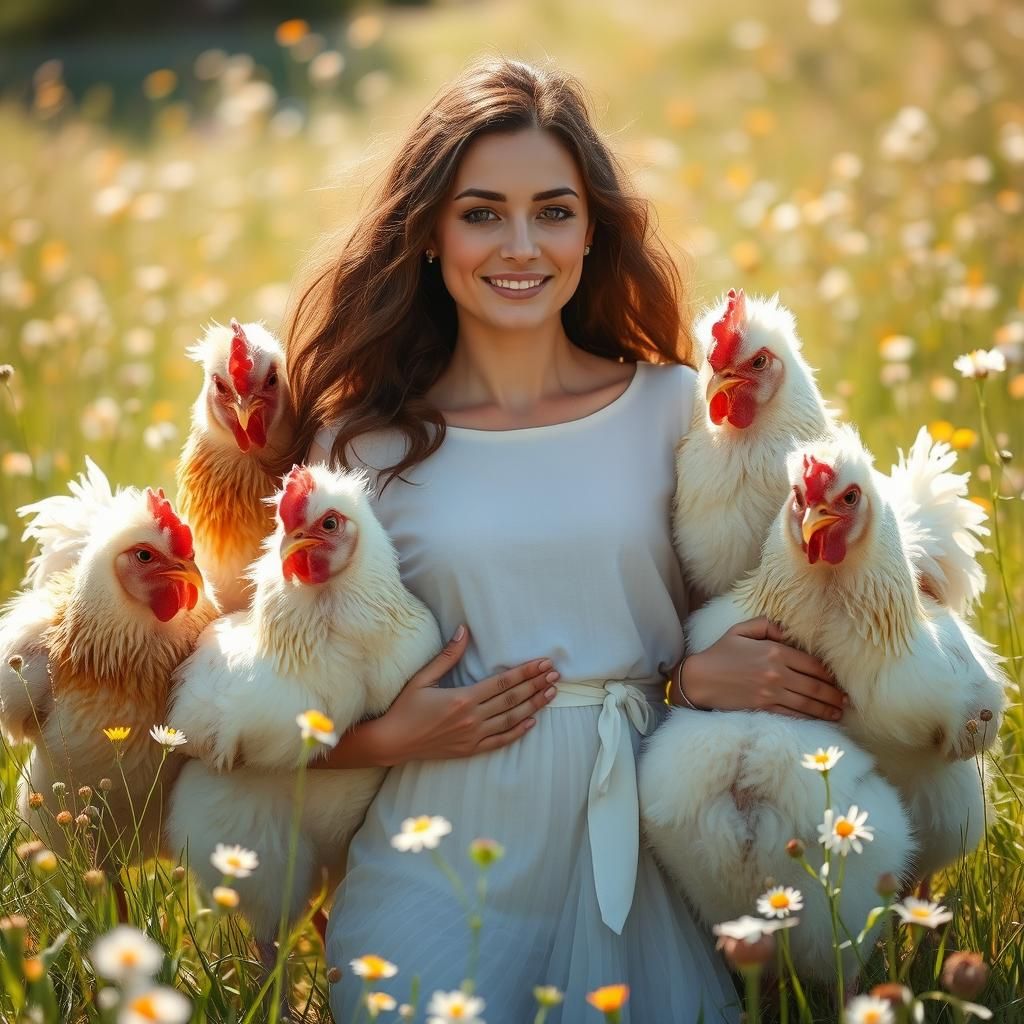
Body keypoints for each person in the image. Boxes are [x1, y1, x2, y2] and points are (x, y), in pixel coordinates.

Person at [286, 56, 846, 1024]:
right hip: (435, 855)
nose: (519, 244)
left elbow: (804, 602)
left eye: (552, 210)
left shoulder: (680, 408)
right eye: (480, 212)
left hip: (643, 839)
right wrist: (385, 737)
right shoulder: (356, 446)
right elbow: (248, 709)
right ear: (426, 232)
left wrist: (692, 676)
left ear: (593, 230)